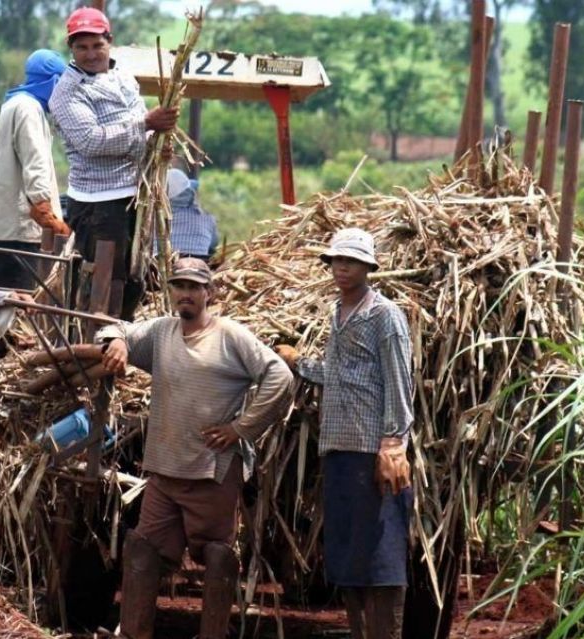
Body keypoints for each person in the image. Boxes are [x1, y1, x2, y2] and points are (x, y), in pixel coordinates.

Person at [97, 257, 293, 639]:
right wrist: (118, 342)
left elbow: (280, 376)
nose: (185, 294)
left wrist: (241, 428)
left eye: (193, 287)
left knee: (218, 556)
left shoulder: (229, 335)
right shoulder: (161, 332)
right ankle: (134, 634)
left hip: (211, 469)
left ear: (209, 293)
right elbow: (114, 327)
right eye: (179, 286)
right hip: (164, 468)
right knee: (144, 549)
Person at [273, 229, 414, 639]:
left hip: (373, 453)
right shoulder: (338, 312)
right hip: (338, 451)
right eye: (336, 260)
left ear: (368, 268)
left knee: (381, 559)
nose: (342, 267)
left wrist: (393, 443)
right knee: (349, 557)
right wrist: (299, 363)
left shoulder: (384, 315)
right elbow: (338, 375)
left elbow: (399, 379)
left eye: (351, 261)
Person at [49, 7, 180, 320]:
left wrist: (156, 145)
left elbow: (141, 131)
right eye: (82, 47)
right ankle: (98, 341)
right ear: (71, 49)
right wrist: (146, 123)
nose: (91, 54)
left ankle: (121, 337)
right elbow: (92, 141)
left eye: (97, 45)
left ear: (110, 41)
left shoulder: (123, 77)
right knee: (103, 281)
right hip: (99, 203)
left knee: (134, 276)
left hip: (135, 195)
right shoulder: (66, 93)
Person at [0, 48, 68, 353]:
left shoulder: (15, 104)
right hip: (20, 230)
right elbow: (34, 162)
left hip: (2, 226)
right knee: (11, 307)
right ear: (53, 82)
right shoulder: (28, 108)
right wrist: (45, 210)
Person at [165, 168, 219, 262]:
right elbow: (213, 244)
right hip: (199, 266)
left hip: (160, 267)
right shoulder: (207, 219)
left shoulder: (152, 222)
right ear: (189, 193)